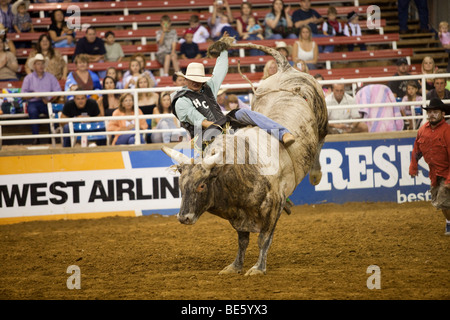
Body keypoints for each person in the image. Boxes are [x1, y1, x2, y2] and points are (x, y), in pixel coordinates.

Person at [171, 48, 296, 148]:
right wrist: (224, 130)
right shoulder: (181, 101)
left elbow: (220, 70)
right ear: (186, 80)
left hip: (222, 125)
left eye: (198, 80)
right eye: (193, 80)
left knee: (242, 112)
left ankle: (282, 133)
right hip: (205, 136)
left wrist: (223, 49)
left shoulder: (207, 88)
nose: (196, 83)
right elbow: (201, 122)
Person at [409, 98, 450, 235]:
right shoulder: (422, 130)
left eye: (435, 112)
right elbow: (417, 150)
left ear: (442, 114)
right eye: (430, 112)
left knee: (444, 200)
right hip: (434, 173)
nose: (432, 114)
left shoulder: (447, 131)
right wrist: (413, 167)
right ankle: (449, 222)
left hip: (447, 171)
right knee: (441, 202)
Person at [21, 53, 62, 144]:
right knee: (33, 111)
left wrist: (48, 98)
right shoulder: (28, 78)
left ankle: (52, 137)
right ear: (34, 65)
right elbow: (23, 94)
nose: (41, 66)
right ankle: (36, 137)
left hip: (46, 102)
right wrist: (34, 95)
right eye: (38, 63)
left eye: (42, 63)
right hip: (33, 102)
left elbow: (57, 91)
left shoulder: (50, 77)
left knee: (53, 112)